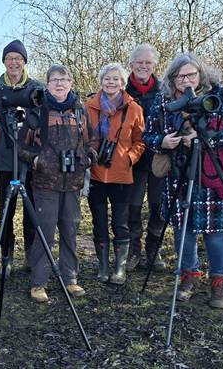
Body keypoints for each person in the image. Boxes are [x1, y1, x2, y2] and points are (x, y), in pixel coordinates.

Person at [143, 52, 223, 309]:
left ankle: (219, 282)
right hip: (178, 173)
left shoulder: (218, 95)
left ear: (201, 74)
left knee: (215, 233)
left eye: (191, 74)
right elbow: (147, 135)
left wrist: (205, 140)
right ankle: (188, 276)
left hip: (212, 172)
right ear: (172, 79)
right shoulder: (163, 101)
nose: (186, 80)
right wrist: (163, 141)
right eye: (180, 76)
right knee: (183, 229)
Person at [18, 64, 95, 303]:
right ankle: (39, 282)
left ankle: (70, 278)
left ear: (70, 83)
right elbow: (20, 146)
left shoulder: (80, 110)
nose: (59, 84)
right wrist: (37, 160)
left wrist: (88, 158)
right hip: (45, 183)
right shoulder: (38, 111)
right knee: (45, 232)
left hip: (73, 182)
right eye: (54, 80)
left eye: (63, 79)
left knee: (70, 231)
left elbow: (92, 141)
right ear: (48, 84)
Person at [0, 40, 44, 271]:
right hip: (5, 160)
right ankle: (6, 258)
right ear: (4, 62)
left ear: (24, 61)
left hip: (31, 159)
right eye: (9, 58)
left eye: (18, 58)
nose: (14, 62)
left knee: (32, 210)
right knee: (5, 211)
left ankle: (31, 256)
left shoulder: (37, 89)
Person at [85, 63, 145, 285]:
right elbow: (82, 136)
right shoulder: (88, 107)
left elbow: (141, 140)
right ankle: (103, 267)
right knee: (99, 222)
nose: (111, 82)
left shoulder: (134, 108)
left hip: (122, 174)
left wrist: (129, 158)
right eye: (107, 78)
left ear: (122, 83)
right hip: (95, 173)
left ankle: (119, 269)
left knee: (121, 223)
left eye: (115, 79)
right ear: (101, 81)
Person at [124, 43, 167, 272]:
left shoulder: (165, 91)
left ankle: (153, 248)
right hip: (132, 160)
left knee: (158, 205)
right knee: (133, 206)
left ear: (154, 65)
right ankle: (134, 249)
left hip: (159, 157)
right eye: (139, 62)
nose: (143, 66)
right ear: (131, 65)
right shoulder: (122, 92)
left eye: (148, 62)